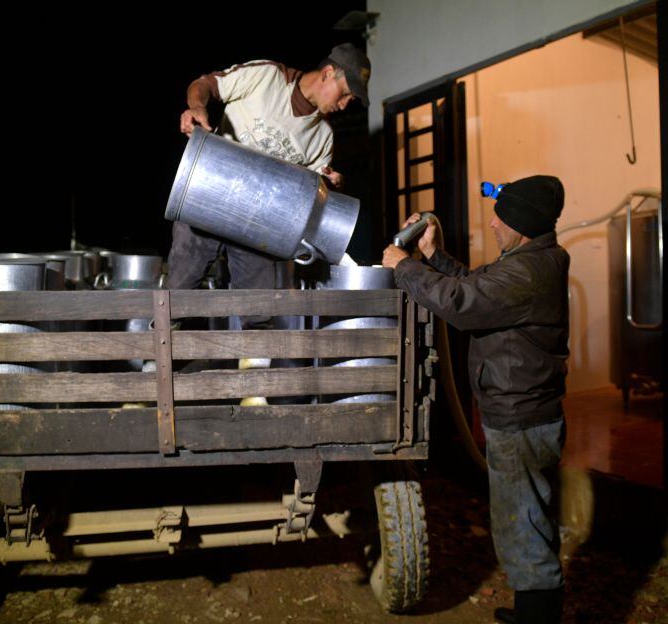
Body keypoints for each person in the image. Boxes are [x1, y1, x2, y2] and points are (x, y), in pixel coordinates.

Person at [381, 175, 570, 624]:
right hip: (528, 411)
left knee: (520, 522)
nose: (492, 224)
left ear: (520, 225)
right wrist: (430, 255)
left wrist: (404, 266)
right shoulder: (532, 260)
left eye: (500, 218)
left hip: (519, 417)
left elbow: (462, 302)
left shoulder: (526, 271)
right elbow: (475, 284)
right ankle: (533, 609)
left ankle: (537, 617)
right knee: (528, 516)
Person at [167, 43, 371, 296]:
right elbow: (205, 84)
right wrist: (197, 106)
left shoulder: (323, 137)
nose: (343, 105)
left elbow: (309, 197)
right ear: (328, 73)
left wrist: (328, 185)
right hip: (208, 197)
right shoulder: (267, 77)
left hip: (259, 224)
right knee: (177, 296)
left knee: (260, 311)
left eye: (349, 101)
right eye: (345, 94)